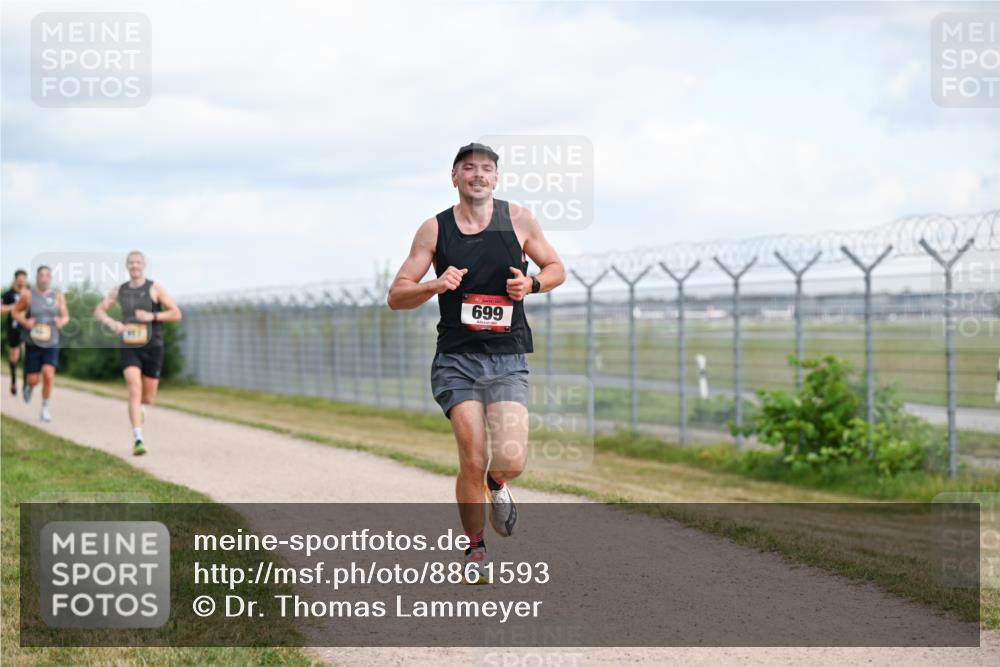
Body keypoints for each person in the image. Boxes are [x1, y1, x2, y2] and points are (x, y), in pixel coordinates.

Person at [387, 142, 565, 583]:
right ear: (455, 177)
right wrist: (435, 285)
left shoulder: (519, 219)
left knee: (510, 459)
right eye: (469, 169)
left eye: (487, 169)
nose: (478, 175)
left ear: (496, 178)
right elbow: (396, 295)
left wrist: (534, 282)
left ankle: (498, 484)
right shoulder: (434, 229)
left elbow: (557, 267)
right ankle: (475, 548)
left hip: (507, 359)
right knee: (472, 455)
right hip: (456, 360)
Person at [94, 251, 182, 456]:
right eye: (131, 263)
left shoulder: (154, 288)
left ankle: (140, 409)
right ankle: (138, 438)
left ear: (143, 266)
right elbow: (99, 310)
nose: (134, 266)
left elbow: (176, 313)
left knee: (148, 398)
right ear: (127, 266)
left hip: (153, 346)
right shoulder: (120, 290)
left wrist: (152, 315)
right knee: (134, 388)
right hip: (129, 344)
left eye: (138, 262)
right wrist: (112, 323)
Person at [12, 266, 69, 422]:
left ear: (50, 278)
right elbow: (15, 312)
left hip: (51, 342)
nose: (44, 278)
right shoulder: (28, 295)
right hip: (32, 343)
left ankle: (44, 408)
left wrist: (60, 321)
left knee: (48, 374)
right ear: (37, 278)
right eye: (41, 275)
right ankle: (29, 386)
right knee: (33, 379)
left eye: (47, 275)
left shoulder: (57, 296)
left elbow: (65, 316)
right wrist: (25, 321)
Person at [1, 269, 28, 395]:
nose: (22, 280)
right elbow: (1, 309)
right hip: (13, 327)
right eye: (20, 278)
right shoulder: (8, 294)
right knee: (14, 356)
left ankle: (25, 383)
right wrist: (14, 307)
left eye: (24, 278)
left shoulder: (29, 294)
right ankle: (13, 381)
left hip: (26, 327)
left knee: (26, 354)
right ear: (16, 279)